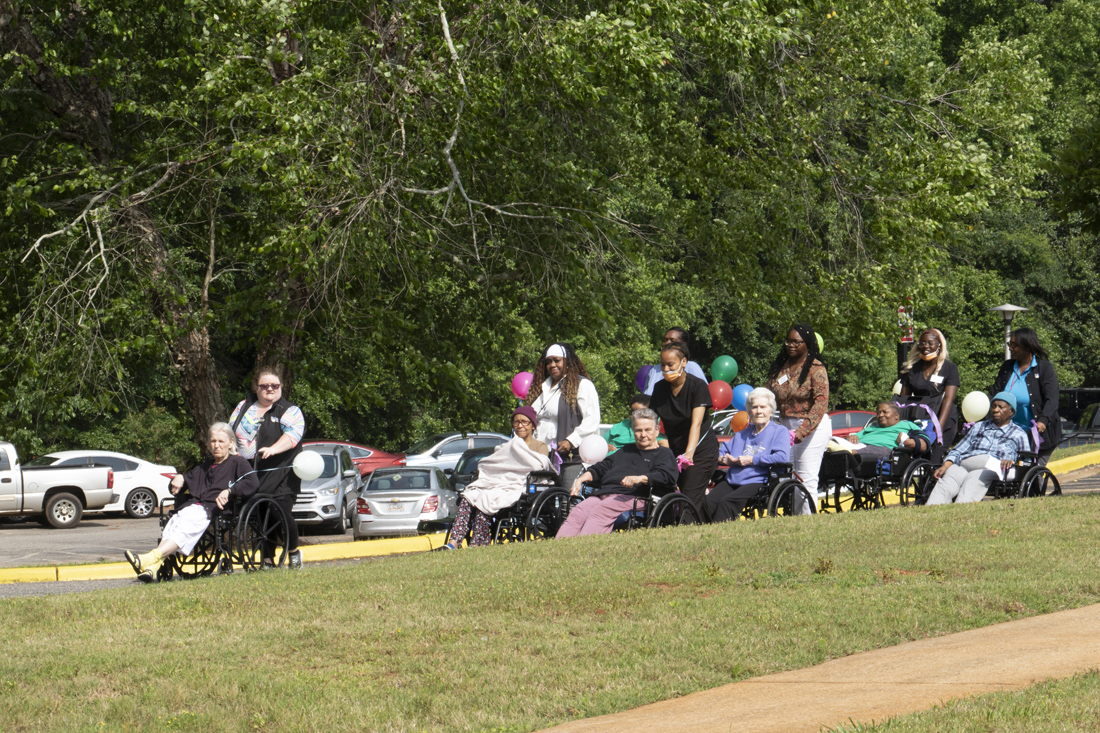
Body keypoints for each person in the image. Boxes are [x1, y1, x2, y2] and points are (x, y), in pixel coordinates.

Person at [125, 423, 257, 583]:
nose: (216, 445)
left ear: (231, 443)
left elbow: (252, 482)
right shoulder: (205, 466)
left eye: (221, 441)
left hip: (217, 508)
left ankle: (151, 558)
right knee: (175, 522)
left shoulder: (238, 462)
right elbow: (181, 484)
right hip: (195, 508)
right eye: (213, 441)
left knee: (186, 520)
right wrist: (179, 478)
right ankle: (152, 567)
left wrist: (230, 491)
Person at [440, 407, 552, 549]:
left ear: (533, 425)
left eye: (524, 421)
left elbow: (538, 465)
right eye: (516, 422)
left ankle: (478, 543)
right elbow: (496, 463)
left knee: (485, 500)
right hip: (497, 482)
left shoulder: (540, 446)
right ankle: (454, 542)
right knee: (469, 497)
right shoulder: (506, 446)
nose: (520, 425)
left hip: (520, 484)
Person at [228, 365, 306, 569]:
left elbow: (292, 437)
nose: (270, 389)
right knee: (261, 514)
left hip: (280, 472)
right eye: (264, 386)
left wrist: (273, 449)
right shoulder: (245, 406)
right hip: (251, 470)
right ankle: (267, 559)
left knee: (278, 512)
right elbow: (230, 431)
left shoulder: (290, 410)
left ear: (281, 386)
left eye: (275, 385)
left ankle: (293, 552)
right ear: (256, 387)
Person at [556, 408, 678, 537]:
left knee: (601, 510)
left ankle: (585, 549)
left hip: (636, 495)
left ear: (657, 430)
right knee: (579, 511)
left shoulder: (664, 454)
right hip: (605, 493)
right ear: (633, 430)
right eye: (638, 430)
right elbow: (602, 467)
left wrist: (641, 478)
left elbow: (666, 476)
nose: (643, 434)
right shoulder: (625, 450)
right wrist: (580, 479)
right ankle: (560, 549)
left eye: (647, 430)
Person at [649, 340, 720, 521]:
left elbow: (695, 424)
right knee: (694, 496)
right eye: (663, 365)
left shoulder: (697, 386)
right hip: (675, 448)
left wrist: (689, 454)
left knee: (688, 496)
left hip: (701, 450)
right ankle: (708, 530)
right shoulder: (659, 388)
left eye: (670, 364)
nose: (666, 369)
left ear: (683, 362)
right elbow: (651, 421)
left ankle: (683, 534)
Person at [765, 324, 831, 509]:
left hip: (812, 426)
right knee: (788, 475)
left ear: (808, 344)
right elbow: (767, 394)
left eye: (796, 342)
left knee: (805, 476)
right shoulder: (780, 368)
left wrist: (803, 430)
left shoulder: (816, 369)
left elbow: (820, 403)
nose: (790, 345)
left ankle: (807, 521)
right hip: (784, 426)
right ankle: (794, 519)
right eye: (788, 341)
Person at [926, 392, 1030, 505]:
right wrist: (945, 466)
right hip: (966, 462)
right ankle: (930, 509)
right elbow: (959, 449)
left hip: (993, 467)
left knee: (975, 478)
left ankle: (960, 510)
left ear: (1011, 412)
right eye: (994, 406)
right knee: (950, 476)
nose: (995, 410)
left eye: (1000, 407)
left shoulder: (1019, 434)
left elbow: (1027, 462)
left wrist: (1012, 462)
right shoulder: (979, 426)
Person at [705, 388, 789, 523]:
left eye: (763, 407)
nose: (759, 411)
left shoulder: (779, 431)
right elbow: (721, 451)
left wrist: (752, 460)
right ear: (749, 411)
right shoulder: (742, 434)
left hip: (759, 481)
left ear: (771, 411)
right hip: (733, 479)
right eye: (754, 407)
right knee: (708, 502)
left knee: (726, 503)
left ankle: (717, 537)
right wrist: (724, 459)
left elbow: (782, 457)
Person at [989, 328, 1062, 464]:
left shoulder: (1044, 368)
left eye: (1014, 345)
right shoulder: (1007, 367)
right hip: (1011, 434)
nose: (1010, 348)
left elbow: (1052, 399)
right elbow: (994, 394)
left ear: (1027, 346)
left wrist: (1043, 421)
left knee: (1032, 475)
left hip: (1038, 435)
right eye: (1009, 344)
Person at [526, 342, 601, 467]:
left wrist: (571, 441)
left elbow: (592, 420)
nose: (552, 365)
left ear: (567, 362)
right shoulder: (542, 388)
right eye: (548, 362)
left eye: (557, 360)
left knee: (566, 487)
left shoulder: (582, 385)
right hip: (540, 457)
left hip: (570, 459)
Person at [818, 401, 932, 483]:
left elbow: (924, 442)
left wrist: (908, 442)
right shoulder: (873, 426)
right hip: (859, 446)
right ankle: (835, 452)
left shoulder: (907, 425)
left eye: (884, 412)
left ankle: (846, 452)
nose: (880, 415)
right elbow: (854, 437)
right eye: (878, 413)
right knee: (830, 441)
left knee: (869, 451)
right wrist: (852, 437)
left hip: (886, 450)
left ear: (897, 416)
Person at [900, 328, 961, 449]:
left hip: (942, 418)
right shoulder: (912, 368)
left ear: (939, 345)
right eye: (922, 343)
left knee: (935, 458)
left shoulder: (949, 368)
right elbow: (903, 400)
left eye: (930, 343)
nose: (925, 346)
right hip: (919, 420)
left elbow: (947, 399)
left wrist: (937, 428)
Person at [643, 327, 709, 395]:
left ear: (683, 344)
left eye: (672, 340)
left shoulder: (691, 367)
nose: (667, 343)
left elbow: (703, 393)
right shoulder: (654, 370)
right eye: (665, 340)